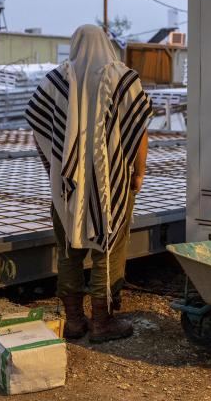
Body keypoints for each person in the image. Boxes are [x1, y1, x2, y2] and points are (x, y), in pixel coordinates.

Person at [25, 24, 152, 343]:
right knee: (109, 248)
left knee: (68, 248)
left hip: (66, 183)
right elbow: (139, 132)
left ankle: (74, 321)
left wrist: (52, 167)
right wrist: (138, 172)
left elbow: (38, 130)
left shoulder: (56, 80)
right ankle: (102, 322)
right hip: (113, 180)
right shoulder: (124, 79)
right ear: (107, 44)